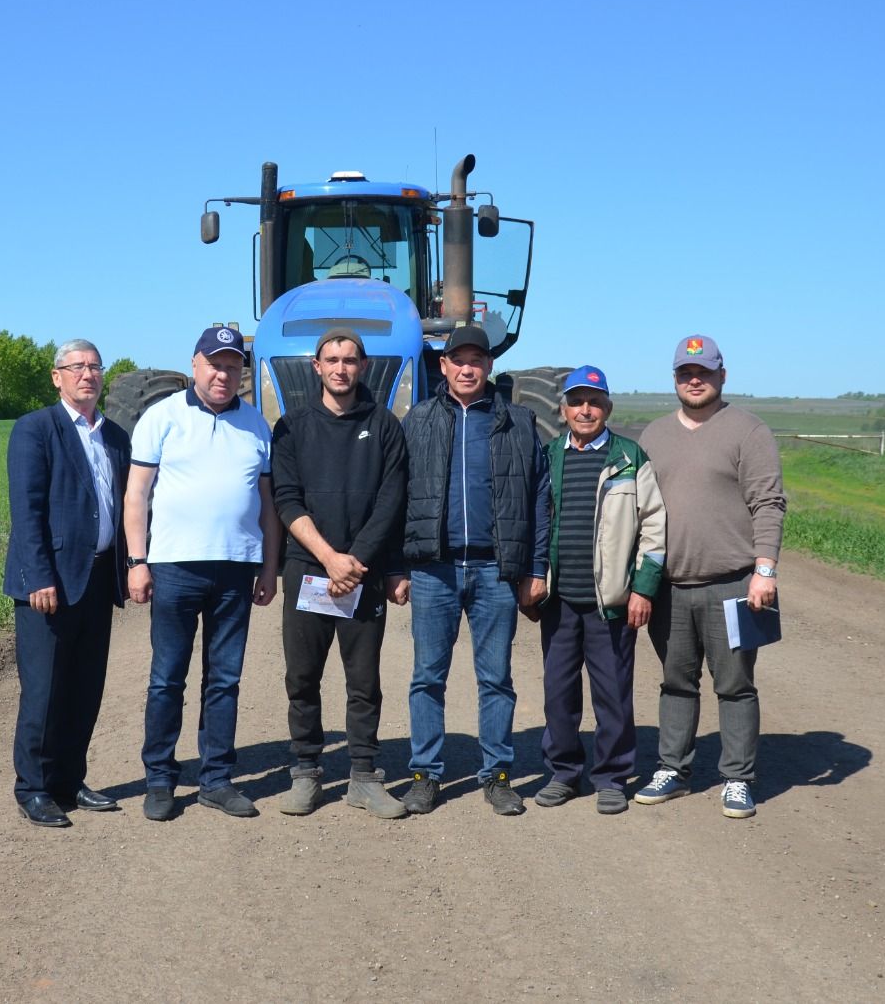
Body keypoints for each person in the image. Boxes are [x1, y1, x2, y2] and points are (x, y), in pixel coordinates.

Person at [390, 324, 550, 816]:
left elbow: (540, 497)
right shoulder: (417, 420)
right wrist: (397, 566)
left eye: (476, 359)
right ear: (443, 365)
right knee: (426, 677)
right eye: (457, 359)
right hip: (434, 570)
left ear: (488, 366)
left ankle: (498, 774)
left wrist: (535, 567)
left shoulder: (518, 423)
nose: (466, 368)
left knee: (496, 678)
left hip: (495, 571)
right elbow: (395, 498)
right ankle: (425, 775)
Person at [124, 326, 282, 821]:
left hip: (236, 568)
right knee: (167, 679)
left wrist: (269, 568)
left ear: (242, 372)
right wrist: (137, 561)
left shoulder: (257, 424)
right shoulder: (162, 417)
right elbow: (136, 496)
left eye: (233, 365)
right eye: (215, 363)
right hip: (174, 568)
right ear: (195, 364)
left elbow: (269, 507)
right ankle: (160, 778)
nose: (223, 373)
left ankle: (216, 779)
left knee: (225, 680)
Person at [636, 334, 786, 819]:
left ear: (722, 375)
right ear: (675, 378)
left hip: (733, 584)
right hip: (670, 586)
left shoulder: (748, 431)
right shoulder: (653, 436)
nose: (694, 380)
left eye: (703, 372)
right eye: (685, 372)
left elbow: (768, 503)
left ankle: (738, 779)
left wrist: (764, 570)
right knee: (676, 682)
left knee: (735, 685)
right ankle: (673, 770)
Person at [270, 328, 409, 818]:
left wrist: (356, 561)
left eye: (350, 360)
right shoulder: (291, 427)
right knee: (302, 677)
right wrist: (330, 558)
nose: (341, 368)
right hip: (308, 573)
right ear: (317, 366)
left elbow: (391, 501)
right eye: (332, 359)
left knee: (363, 680)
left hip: (363, 573)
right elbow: (287, 499)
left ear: (363, 366)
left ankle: (363, 777)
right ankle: (306, 772)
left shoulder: (386, 426)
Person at [2, 339, 130, 828]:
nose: (87, 374)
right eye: (76, 367)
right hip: (49, 584)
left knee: (84, 687)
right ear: (57, 377)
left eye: (95, 366)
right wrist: (39, 577)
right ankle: (33, 788)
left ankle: (69, 781)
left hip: (97, 580)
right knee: (44, 690)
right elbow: (27, 511)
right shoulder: (36, 429)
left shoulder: (115, 436)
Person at [533, 365, 667, 816]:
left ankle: (611, 777)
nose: (585, 409)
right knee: (559, 693)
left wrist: (643, 589)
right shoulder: (548, 455)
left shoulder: (630, 458)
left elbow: (654, 528)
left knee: (612, 694)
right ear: (563, 408)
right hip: (560, 601)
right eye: (576, 401)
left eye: (594, 402)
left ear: (607, 408)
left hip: (610, 604)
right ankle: (564, 773)